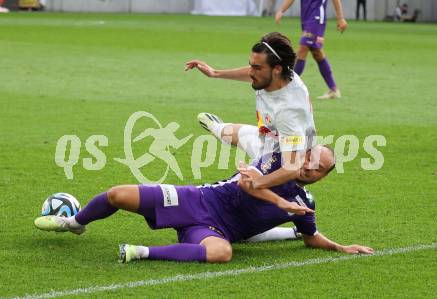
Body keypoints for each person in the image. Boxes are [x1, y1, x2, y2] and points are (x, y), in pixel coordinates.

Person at [34, 146, 373, 263]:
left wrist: (342, 247)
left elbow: (311, 237)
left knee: (221, 253)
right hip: (195, 200)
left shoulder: (304, 203)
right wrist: (283, 201)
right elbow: (247, 184)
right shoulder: (276, 162)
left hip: (211, 229)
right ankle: (76, 222)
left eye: (320, 169)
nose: (311, 169)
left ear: (324, 176)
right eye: (312, 160)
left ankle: (141, 252)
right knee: (116, 194)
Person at [186, 32, 316, 193]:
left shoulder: (287, 111)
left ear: (276, 69)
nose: (251, 72)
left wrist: (256, 183)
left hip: (282, 163)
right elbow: (256, 70)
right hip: (268, 140)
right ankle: (216, 127)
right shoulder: (278, 75)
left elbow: (293, 167)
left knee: (232, 191)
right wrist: (215, 73)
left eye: (257, 68)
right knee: (224, 131)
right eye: (251, 65)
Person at [275, 0, 348, 99]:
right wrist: (281, 11)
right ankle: (333, 89)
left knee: (302, 48)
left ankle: (286, 87)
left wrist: (341, 18)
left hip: (316, 18)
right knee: (317, 53)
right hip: (306, 18)